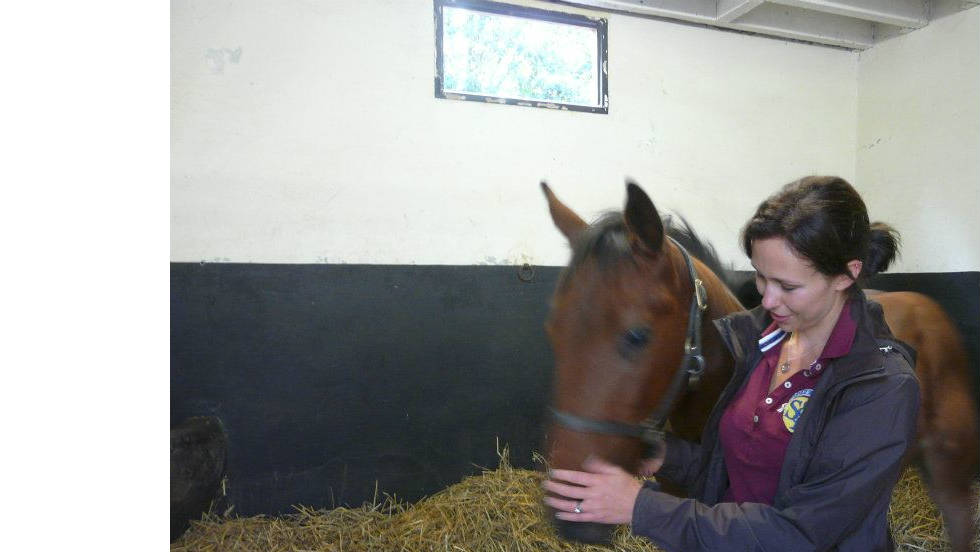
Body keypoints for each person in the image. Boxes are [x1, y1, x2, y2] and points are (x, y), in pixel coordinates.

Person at [543, 176, 920, 551]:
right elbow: (747, 469)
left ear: (846, 275)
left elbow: (802, 535)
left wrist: (642, 507)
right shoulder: (756, 343)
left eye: (787, 287)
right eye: (760, 276)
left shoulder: (881, 388)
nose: (768, 301)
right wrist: (669, 456)